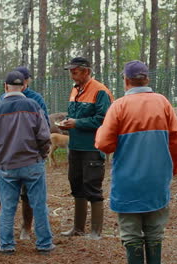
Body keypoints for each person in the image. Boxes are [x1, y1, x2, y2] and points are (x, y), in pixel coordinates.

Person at [95, 60, 177, 263]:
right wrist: (173, 169)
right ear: (147, 79)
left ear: (126, 81)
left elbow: (103, 144)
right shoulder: (162, 103)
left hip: (128, 182)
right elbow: (176, 139)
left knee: (131, 234)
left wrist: (102, 129)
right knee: (155, 233)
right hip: (157, 180)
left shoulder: (119, 106)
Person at [0, 71, 54, 254]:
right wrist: (41, 156)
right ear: (23, 86)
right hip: (32, 163)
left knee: (7, 207)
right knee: (39, 205)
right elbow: (44, 136)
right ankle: (44, 244)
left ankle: (6, 245)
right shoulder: (33, 105)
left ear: (5, 86)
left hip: (6, 166)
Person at [58, 57, 114, 240]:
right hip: (75, 146)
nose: (72, 75)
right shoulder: (76, 89)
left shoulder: (100, 91)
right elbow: (75, 115)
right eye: (71, 72)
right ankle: (78, 228)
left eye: (75, 72)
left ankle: (96, 232)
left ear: (86, 71)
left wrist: (77, 123)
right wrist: (67, 122)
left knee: (92, 186)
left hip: (92, 146)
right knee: (76, 184)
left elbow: (104, 119)